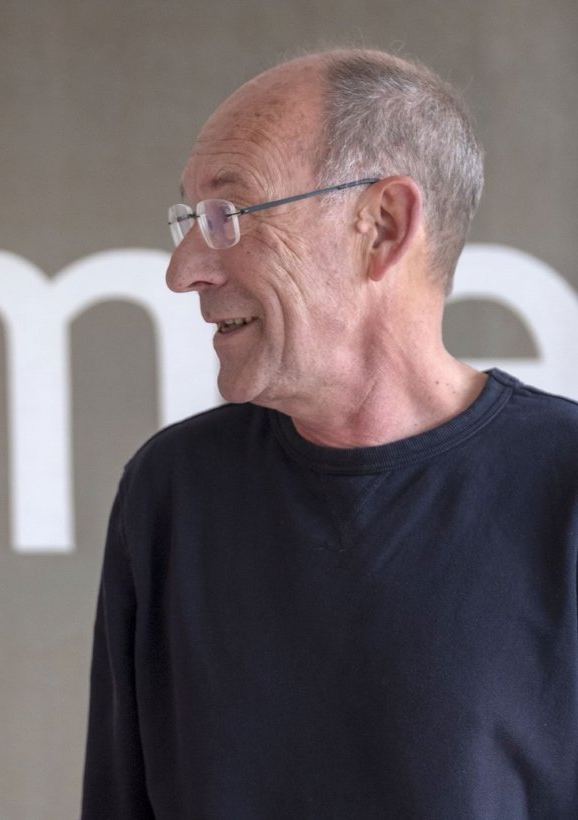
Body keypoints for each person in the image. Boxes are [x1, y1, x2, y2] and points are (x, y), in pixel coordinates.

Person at [82, 48, 578, 818]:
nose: (183, 271)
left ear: (381, 225)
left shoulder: (564, 486)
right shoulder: (172, 491)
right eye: (189, 219)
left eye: (228, 215)